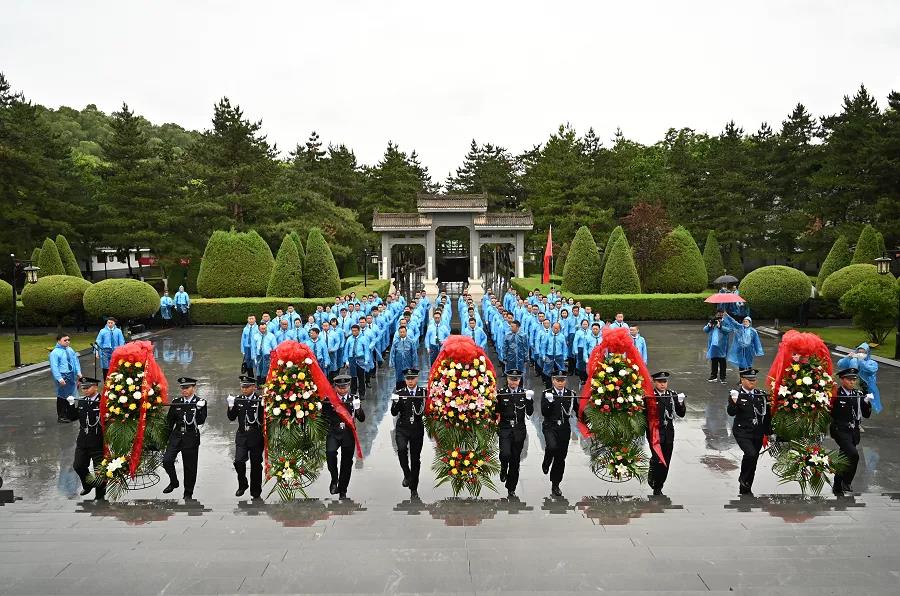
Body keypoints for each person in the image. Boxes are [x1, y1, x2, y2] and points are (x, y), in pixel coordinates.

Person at [727, 368, 771, 495]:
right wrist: (734, 402)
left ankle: (746, 486)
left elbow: (766, 414)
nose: (753, 382)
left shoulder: (760, 394)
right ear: (742, 380)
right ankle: (743, 478)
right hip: (742, 431)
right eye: (749, 380)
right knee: (750, 454)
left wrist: (769, 431)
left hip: (757, 431)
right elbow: (731, 412)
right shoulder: (736, 394)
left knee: (754, 459)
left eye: (754, 379)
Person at [162, 377, 208, 499]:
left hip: (191, 436)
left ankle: (188, 493)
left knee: (190, 467)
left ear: (194, 388)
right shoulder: (176, 402)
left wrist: (198, 409)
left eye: (187, 388)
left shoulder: (200, 402)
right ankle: (174, 482)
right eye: (182, 388)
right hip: (176, 436)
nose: (184, 390)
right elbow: (169, 422)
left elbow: (200, 421)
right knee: (167, 460)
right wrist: (162, 441)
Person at [831, 367, 873, 496]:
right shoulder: (836, 394)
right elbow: (830, 412)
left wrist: (866, 402)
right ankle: (847, 482)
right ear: (842, 380)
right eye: (849, 379)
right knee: (853, 454)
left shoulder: (858, 394)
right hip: (840, 430)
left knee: (844, 457)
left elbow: (866, 415)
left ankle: (838, 485)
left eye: (854, 380)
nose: (852, 382)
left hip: (853, 432)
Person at [324, 374, 365, 499]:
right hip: (333, 432)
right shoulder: (329, 399)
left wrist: (358, 408)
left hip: (348, 433)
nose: (343, 389)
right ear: (335, 387)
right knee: (330, 454)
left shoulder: (354, 398)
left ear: (349, 386)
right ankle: (334, 479)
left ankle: (343, 489)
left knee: (347, 463)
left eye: (345, 386)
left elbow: (362, 419)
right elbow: (323, 417)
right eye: (340, 387)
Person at [64, 377, 105, 500]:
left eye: (88, 387)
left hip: (98, 440)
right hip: (83, 441)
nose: (85, 390)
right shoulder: (82, 401)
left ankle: (100, 496)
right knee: (78, 466)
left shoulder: (103, 401)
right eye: (83, 388)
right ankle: (88, 484)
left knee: (100, 471)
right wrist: (71, 405)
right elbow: (72, 417)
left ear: (96, 387)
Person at [496, 370, 534, 498]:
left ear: (519, 380)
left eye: (516, 379)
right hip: (505, 428)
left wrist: (529, 400)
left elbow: (529, 412)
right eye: (511, 379)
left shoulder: (524, 393)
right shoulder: (501, 393)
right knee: (505, 454)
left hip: (519, 429)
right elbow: (495, 412)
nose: (513, 382)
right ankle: (503, 466)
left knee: (515, 460)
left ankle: (511, 487)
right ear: (507, 379)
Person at [647, 371, 686, 496]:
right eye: (660, 382)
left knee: (666, 461)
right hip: (655, 432)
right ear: (654, 382)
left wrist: (680, 403)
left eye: (665, 382)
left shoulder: (672, 395)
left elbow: (681, 414)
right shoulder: (649, 395)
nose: (663, 385)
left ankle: (659, 484)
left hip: (668, 432)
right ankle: (655, 481)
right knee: (658, 459)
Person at [391, 368, 426, 499]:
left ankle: (413, 488)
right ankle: (407, 474)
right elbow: (394, 413)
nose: (410, 381)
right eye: (408, 379)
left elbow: (427, 409)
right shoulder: (400, 393)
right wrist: (395, 403)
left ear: (417, 378)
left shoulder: (423, 392)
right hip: (402, 427)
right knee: (401, 450)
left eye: (412, 378)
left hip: (417, 428)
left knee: (415, 459)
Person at [541, 368, 577, 497]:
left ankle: (555, 484)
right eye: (558, 380)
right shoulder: (546, 393)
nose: (560, 383)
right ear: (553, 380)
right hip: (550, 426)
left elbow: (578, 411)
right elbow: (544, 412)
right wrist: (550, 402)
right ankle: (546, 460)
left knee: (561, 457)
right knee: (551, 446)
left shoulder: (571, 394)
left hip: (564, 429)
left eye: (562, 380)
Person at [227, 375, 264, 499]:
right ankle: (243, 484)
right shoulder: (238, 400)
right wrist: (231, 406)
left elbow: (265, 419)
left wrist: (265, 406)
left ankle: (256, 491)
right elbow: (231, 417)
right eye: (243, 387)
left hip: (256, 436)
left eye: (247, 387)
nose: (244, 389)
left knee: (256, 465)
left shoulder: (260, 399)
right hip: (242, 435)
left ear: (254, 387)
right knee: (238, 461)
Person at [837, 343, 881, 414]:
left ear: (867, 353)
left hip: (865, 388)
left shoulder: (872, 363)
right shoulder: (853, 360)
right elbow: (840, 364)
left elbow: (871, 370)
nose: (860, 354)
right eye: (859, 352)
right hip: (853, 387)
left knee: (864, 407)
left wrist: (861, 361)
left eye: (863, 352)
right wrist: (847, 357)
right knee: (852, 405)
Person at [50, 333, 82, 423]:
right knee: (62, 396)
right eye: (65, 340)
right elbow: (54, 367)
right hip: (62, 375)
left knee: (71, 395)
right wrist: (59, 378)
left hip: (71, 374)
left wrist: (78, 372)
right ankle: (61, 415)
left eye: (68, 340)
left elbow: (75, 361)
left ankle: (70, 414)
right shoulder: (55, 353)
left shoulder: (70, 350)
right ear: (59, 341)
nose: (67, 342)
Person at [704, 312, 732, 383]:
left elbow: (728, 330)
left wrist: (720, 327)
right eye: (718, 314)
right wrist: (709, 325)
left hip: (722, 345)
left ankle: (723, 377)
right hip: (713, 345)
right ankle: (713, 376)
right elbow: (705, 330)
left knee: (722, 362)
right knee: (714, 361)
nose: (719, 316)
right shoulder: (713, 321)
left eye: (721, 315)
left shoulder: (725, 322)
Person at [389, 325, 419, 390]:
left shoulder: (411, 342)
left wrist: (414, 365)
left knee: (408, 377)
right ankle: (399, 393)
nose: (402, 333)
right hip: (398, 364)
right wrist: (392, 363)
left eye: (403, 332)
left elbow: (414, 354)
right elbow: (392, 353)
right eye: (401, 332)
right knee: (399, 378)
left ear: (406, 332)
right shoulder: (395, 342)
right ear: (399, 333)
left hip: (408, 364)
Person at [344, 324, 371, 397]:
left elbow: (366, 350)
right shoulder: (349, 339)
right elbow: (346, 350)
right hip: (352, 359)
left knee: (361, 377)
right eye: (352, 331)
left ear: (359, 331)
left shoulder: (363, 339)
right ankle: (353, 392)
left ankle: (362, 393)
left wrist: (366, 360)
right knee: (353, 377)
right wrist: (346, 360)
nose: (354, 332)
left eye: (355, 331)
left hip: (360, 359)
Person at [539, 322, 568, 389]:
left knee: (559, 373)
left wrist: (564, 357)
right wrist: (543, 356)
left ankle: (558, 388)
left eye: (557, 328)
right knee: (548, 373)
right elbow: (543, 346)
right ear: (551, 328)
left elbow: (564, 347)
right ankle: (548, 389)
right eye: (554, 328)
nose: (555, 329)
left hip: (559, 356)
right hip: (549, 356)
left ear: (559, 329)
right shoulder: (547, 336)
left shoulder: (562, 336)